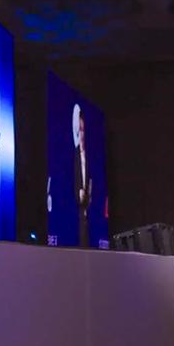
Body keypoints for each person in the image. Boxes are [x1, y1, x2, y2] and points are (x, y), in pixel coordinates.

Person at [72, 104, 91, 247]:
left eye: (83, 130)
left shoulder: (89, 157)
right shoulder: (74, 156)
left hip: (87, 209)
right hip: (77, 211)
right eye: (80, 130)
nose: (82, 134)